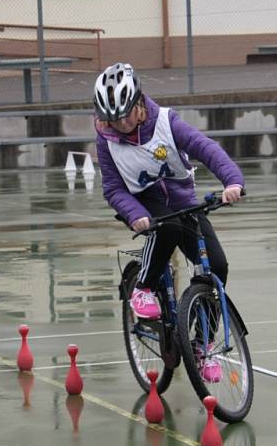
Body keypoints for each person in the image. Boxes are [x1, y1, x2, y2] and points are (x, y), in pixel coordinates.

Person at [93, 62, 244, 328]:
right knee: (168, 228)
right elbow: (113, 188)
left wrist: (232, 181)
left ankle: (202, 342)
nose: (122, 123)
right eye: (114, 119)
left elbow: (205, 148)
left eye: (126, 115)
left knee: (217, 266)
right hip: (143, 203)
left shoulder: (165, 122)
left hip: (182, 199)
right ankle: (143, 288)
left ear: (139, 102)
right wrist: (136, 214)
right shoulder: (107, 141)